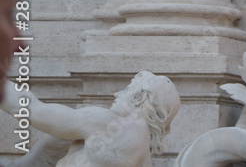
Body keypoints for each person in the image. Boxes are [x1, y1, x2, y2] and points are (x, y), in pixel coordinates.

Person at [0, 70, 180, 166]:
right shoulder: (144, 156)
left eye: (127, 90)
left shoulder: (106, 121)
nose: (117, 94)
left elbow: (33, 110)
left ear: (139, 97)